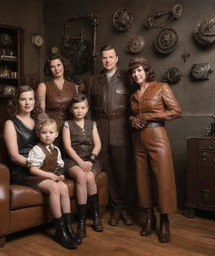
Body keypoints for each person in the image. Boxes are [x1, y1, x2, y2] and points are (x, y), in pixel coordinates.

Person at [3, 86, 78, 249]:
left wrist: (51, 170)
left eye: (31, 99)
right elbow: (14, 156)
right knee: (53, 187)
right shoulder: (10, 123)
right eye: (23, 99)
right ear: (17, 101)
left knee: (63, 188)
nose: (27, 102)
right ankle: (59, 232)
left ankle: (67, 227)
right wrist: (38, 167)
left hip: (43, 167)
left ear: (35, 101)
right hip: (23, 170)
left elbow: (48, 144)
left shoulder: (38, 121)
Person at [128, 57, 182, 243]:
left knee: (162, 178)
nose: (137, 74)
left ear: (146, 70)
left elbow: (176, 111)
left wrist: (151, 115)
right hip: (138, 139)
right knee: (142, 179)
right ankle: (149, 218)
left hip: (157, 136)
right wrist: (132, 120)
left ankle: (165, 220)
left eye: (140, 70)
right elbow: (133, 115)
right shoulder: (133, 95)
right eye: (134, 72)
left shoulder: (161, 87)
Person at [87, 45, 133, 226]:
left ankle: (123, 208)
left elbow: (133, 106)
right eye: (104, 57)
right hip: (100, 132)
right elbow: (88, 109)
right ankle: (115, 210)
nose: (107, 60)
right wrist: (91, 132)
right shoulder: (92, 80)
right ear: (101, 59)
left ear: (116, 58)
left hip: (121, 131)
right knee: (108, 172)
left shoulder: (126, 78)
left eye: (110, 57)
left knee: (123, 172)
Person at [62, 94, 103, 239]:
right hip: (73, 159)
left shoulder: (92, 124)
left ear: (87, 109)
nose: (79, 110)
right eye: (76, 108)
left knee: (90, 177)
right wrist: (80, 162)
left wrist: (91, 160)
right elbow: (67, 147)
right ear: (71, 110)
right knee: (81, 175)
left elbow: (98, 144)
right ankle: (81, 221)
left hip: (90, 159)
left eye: (82, 108)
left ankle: (96, 216)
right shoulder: (67, 124)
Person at [37, 55, 78, 145]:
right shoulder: (43, 86)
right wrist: (48, 131)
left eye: (59, 65)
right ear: (49, 69)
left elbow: (78, 109)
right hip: (50, 130)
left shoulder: (73, 86)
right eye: (52, 66)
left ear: (64, 65)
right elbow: (40, 112)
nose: (56, 69)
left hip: (70, 129)